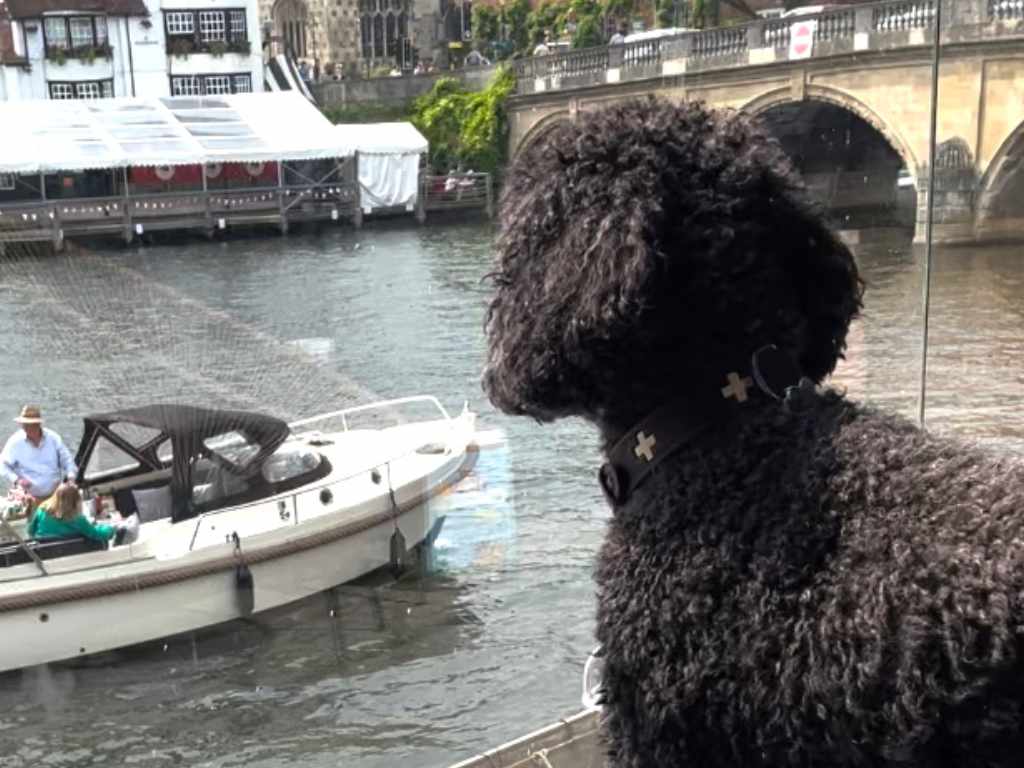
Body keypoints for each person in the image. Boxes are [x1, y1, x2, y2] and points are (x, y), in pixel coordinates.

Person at [1, 405, 77, 508]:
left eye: (30, 425)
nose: (26, 428)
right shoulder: (15, 442)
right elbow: (2, 465)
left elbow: (67, 461)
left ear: (38, 424)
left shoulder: (53, 438)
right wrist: (17, 480)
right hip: (28, 498)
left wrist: (71, 478)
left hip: (54, 497)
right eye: (24, 425)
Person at [26, 482, 116, 543]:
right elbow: (96, 534)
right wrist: (111, 529)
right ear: (75, 501)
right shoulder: (77, 519)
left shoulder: (42, 510)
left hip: (45, 554)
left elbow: (30, 531)